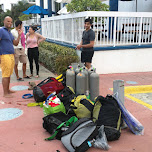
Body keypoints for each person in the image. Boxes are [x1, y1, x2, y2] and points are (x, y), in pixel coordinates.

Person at [0, 16, 22, 98]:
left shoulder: (9, 32)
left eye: (11, 21)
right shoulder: (1, 30)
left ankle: (8, 90)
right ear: (4, 21)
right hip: (4, 55)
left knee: (9, 74)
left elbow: (15, 43)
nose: (10, 23)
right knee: (5, 74)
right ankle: (5, 93)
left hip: (11, 55)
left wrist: (19, 35)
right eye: (8, 21)